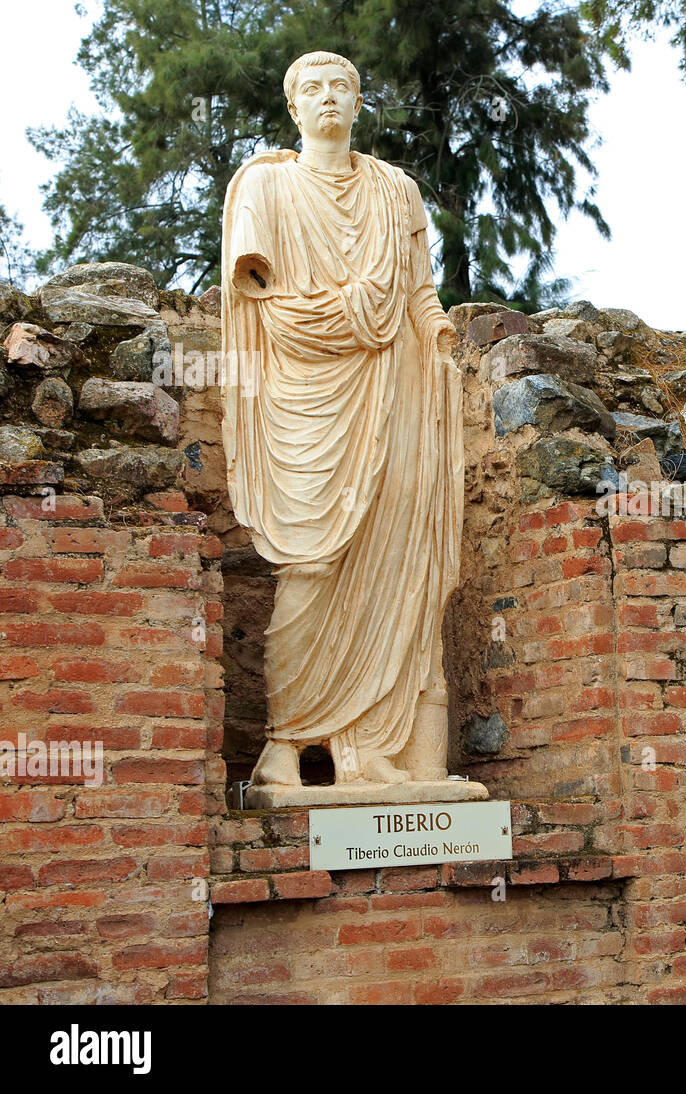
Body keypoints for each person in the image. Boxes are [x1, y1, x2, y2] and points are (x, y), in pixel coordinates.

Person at [221, 51, 463, 789]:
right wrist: (351, 311)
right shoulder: (265, 185)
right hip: (302, 401)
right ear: (293, 108)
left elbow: (420, 294)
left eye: (342, 88)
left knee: (397, 567)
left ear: (359, 103)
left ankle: (368, 752)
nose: (328, 99)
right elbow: (261, 298)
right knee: (311, 565)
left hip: (394, 395)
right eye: (312, 89)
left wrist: (441, 337)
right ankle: (284, 746)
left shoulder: (396, 190)